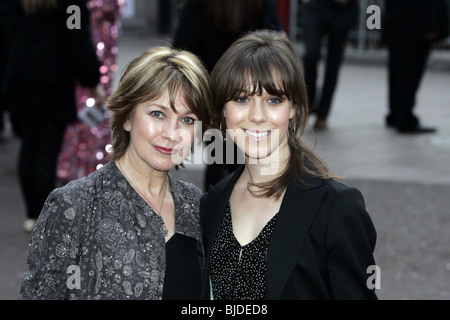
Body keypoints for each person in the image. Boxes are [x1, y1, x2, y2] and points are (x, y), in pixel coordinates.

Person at [19, 46, 213, 300]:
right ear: (127, 117)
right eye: (158, 113)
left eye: (187, 120)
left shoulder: (196, 205)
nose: (171, 133)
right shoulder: (75, 205)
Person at [200, 30, 378, 300]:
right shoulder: (211, 205)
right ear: (223, 110)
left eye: (274, 100)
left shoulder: (336, 209)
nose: (257, 116)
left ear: (292, 108)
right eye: (241, 99)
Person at [4, 0, 103, 232]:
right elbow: (77, 37)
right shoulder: (72, 4)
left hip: (22, 77)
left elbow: (9, 31)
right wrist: (91, 80)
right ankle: (41, 216)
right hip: (54, 80)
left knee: (29, 147)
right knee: (47, 152)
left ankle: (31, 213)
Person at [172, 0, 284, 191]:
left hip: (211, 88)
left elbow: (183, 44)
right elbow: (274, 39)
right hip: (248, 88)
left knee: (217, 156)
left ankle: (213, 209)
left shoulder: (200, 5)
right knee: (243, 156)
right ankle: (243, 205)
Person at [56, 0, 125, 185]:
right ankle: (79, 160)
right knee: (86, 97)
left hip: (102, 43)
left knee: (96, 99)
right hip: (90, 41)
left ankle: (90, 158)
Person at [383, 0, 449, 134]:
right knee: (409, 73)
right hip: (414, 28)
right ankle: (405, 118)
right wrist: (429, 26)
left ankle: (396, 114)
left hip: (398, 24)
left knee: (398, 72)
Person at [301, 0, 359, 130]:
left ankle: (323, 113)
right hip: (316, 7)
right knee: (311, 54)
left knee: (333, 63)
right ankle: (309, 102)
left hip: (342, 9)